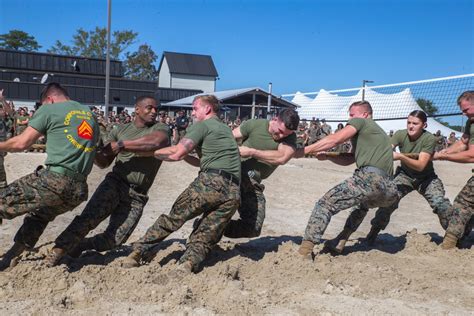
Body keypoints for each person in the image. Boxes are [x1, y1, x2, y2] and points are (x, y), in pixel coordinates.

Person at [45, 96, 170, 267]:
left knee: (115, 239)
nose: (154, 112)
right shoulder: (120, 130)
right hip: (115, 183)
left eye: (156, 108)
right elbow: (104, 162)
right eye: (149, 108)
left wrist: (121, 145)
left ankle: (81, 245)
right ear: (137, 109)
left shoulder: (160, 128)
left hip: (138, 194)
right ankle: (58, 251)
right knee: (88, 219)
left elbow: (156, 142)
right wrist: (93, 150)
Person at [122, 95, 241, 273]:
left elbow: (177, 153)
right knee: (206, 234)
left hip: (211, 184)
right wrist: (184, 156)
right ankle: (187, 264)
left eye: (195, 109)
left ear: (207, 109)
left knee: (173, 219)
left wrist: (153, 153)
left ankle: (137, 252)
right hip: (233, 192)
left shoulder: (202, 126)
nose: (192, 113)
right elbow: (203, 162)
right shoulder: (225, 130)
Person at [0, 82, 99, 270]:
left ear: (49, 99)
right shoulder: (90, 115)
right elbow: (99, 157)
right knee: (39, 216)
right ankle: (12, 256)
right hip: (78, 190)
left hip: (54, 180)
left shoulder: (50, 110)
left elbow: (22, 143)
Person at [296, 101, 398, 258]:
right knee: (361, 206)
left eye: (351, 115)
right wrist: (329, 156)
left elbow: (335, 139)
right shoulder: (379, 133)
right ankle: (341, 240)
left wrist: (304, 150)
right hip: (390, 191)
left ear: (364, 114)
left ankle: (305, 251)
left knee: (325, 204)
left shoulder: (361, 122)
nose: (349, 119)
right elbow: (350, 158)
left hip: (370, 179)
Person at [337, 110, 452, 247]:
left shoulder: (429, 139)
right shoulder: (400, 134)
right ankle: (372, 233)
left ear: (424, 125)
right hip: (404, 175)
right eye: (409, 122)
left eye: (415, 123)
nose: (411, 126)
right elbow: (386, 149)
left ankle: (453, 236)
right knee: (388, 202)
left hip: (426, 178)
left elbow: (421, 165)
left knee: (441, 204)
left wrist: (401, 156)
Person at [223, 108, 299, 238]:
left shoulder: (290, 137)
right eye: (280, 131)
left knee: (253, 227)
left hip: (251, 183)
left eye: (285, 134)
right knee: (219, 211)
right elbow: (228, 138)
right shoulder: (256, 125)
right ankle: (208, 231)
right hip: (234, 174)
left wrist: (252, 152)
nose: (281, 136)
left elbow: (282, 157)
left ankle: (216, 229)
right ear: (275, 119)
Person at [433, 91, 474, 249]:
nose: (463, 114)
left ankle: (450, 244)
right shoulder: (471, 121)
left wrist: (444, 158)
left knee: (463, 204)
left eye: (466, 110)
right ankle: (460, 240)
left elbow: (471, 155)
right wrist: (445, 151)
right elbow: (463, 142)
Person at [0, 90, 15, 189]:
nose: (2, 111)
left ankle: (2, 187)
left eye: (1, 109)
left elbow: (10, 112)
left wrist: (2, 100)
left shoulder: (5, 120)